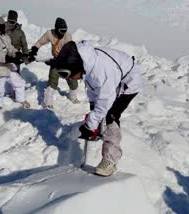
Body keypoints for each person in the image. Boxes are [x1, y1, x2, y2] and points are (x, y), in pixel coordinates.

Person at [48, 40, 142, 176]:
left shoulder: (101, 71)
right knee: (98, 112)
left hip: (129, 82)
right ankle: (98, 129)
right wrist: (93, 111)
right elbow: (92, 88)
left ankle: (110, 161)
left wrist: (89, 126)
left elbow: (105, 100)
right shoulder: (87, 64)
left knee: (111, 115)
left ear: (77, 67)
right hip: (114, 78)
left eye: (66, 74)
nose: (66, 78)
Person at [28, 17, 79, 109]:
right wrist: (34, 49)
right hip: (56, 60)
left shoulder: (68, 36)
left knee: (73, 82)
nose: (63, 32)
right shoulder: (50, 34)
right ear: (56, 29)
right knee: (52, 82)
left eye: (65, 30)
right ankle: (48, 103)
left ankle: (73, 96)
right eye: (61, 30)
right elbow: (40, 42)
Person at [0, 15, 30, 109]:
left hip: (7, 67)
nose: (3, 27)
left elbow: (10, 48)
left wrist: (18, 54)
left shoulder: (4, 36)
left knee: (19, 82)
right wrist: (11, 59)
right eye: (1, 25)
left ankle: (21, 99)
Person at [5, 10, 28, 74]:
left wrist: (25, 55)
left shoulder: (20, 33)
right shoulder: (2, 29)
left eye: (13, 22)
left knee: (16, 76)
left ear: (16, 22)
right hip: (4, 57)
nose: (11, 24)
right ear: (7, 20)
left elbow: (24, 45)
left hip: (16, 57)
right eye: (10, 21)